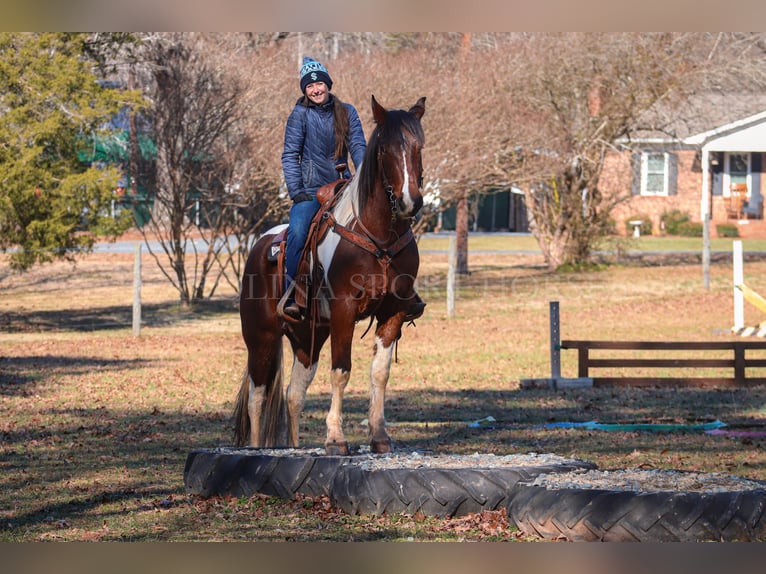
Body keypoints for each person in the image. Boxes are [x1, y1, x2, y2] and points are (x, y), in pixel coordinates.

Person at [280, 56, 367, 320]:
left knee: (381, 221)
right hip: (310, 190)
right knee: (296, 232)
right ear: (304, 90)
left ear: (328, 84)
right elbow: (290, 154)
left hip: (344, 187)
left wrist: (363, 179)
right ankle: (292, 294)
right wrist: (297, 191)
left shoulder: (347, 112)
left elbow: (359, 148)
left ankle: (400, 289)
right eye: (309, 86)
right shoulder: (300, 115)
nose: (315, 89)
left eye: (319, 83)